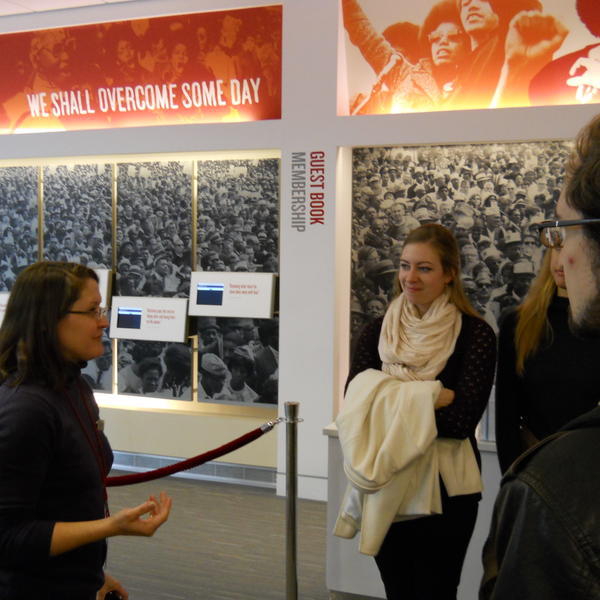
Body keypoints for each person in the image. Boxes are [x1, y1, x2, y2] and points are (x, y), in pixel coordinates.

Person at [335, 224, 496, 599]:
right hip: (387, 478)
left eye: (424, 268)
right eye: (405, 266)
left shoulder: (475, 335)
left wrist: (387, 397)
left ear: (449, 273)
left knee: (438, 591)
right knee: (398, 589)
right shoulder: (377, 332)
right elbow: (356, 408)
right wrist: (429, 397)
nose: (410, 277)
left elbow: (459, 423)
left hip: (448, 489)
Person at [0, 262, 171, 599]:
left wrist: (93, 576)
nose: (104, 321)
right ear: (50, 320)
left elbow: (60, 504)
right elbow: (8, 538)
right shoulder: (26, 409)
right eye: (93, 311)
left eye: (102, 308)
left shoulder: (72, 385)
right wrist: (112, 526)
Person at [481, 114, 600, 599]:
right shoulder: (521, 322)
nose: (561, 253)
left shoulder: (557, 495)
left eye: (564, 230)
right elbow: (507, 414)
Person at [494, 247, 600, 474]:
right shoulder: (518, 323)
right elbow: (506, 419)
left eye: (571, 248)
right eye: (556, 248)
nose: (561, 260)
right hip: (533, 473)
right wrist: (513, 481)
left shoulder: (593, 326)